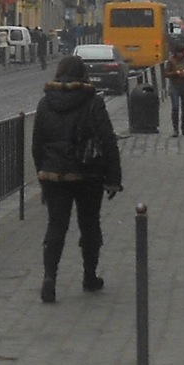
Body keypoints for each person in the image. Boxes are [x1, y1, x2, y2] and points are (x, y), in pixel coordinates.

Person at [32, 54, 122, 304]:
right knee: (90, 224)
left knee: (56, 226)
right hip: (88, 173)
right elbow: (107, 139)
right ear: (84, 74)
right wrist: (113, 177)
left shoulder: (45, 103)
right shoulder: (92, 101)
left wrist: (42, 173)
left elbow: (37, 143)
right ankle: (89, 275)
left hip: (54, 174)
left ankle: (49, 278)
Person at [162, 43, 184, 136]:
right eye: (179, 53)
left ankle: (183, 127)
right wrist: (175, 73)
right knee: (175, 107)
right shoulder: (171, 60)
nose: (181, 55)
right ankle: (175, 129)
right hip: (174, 86)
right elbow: (165, 73)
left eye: (182, 52)